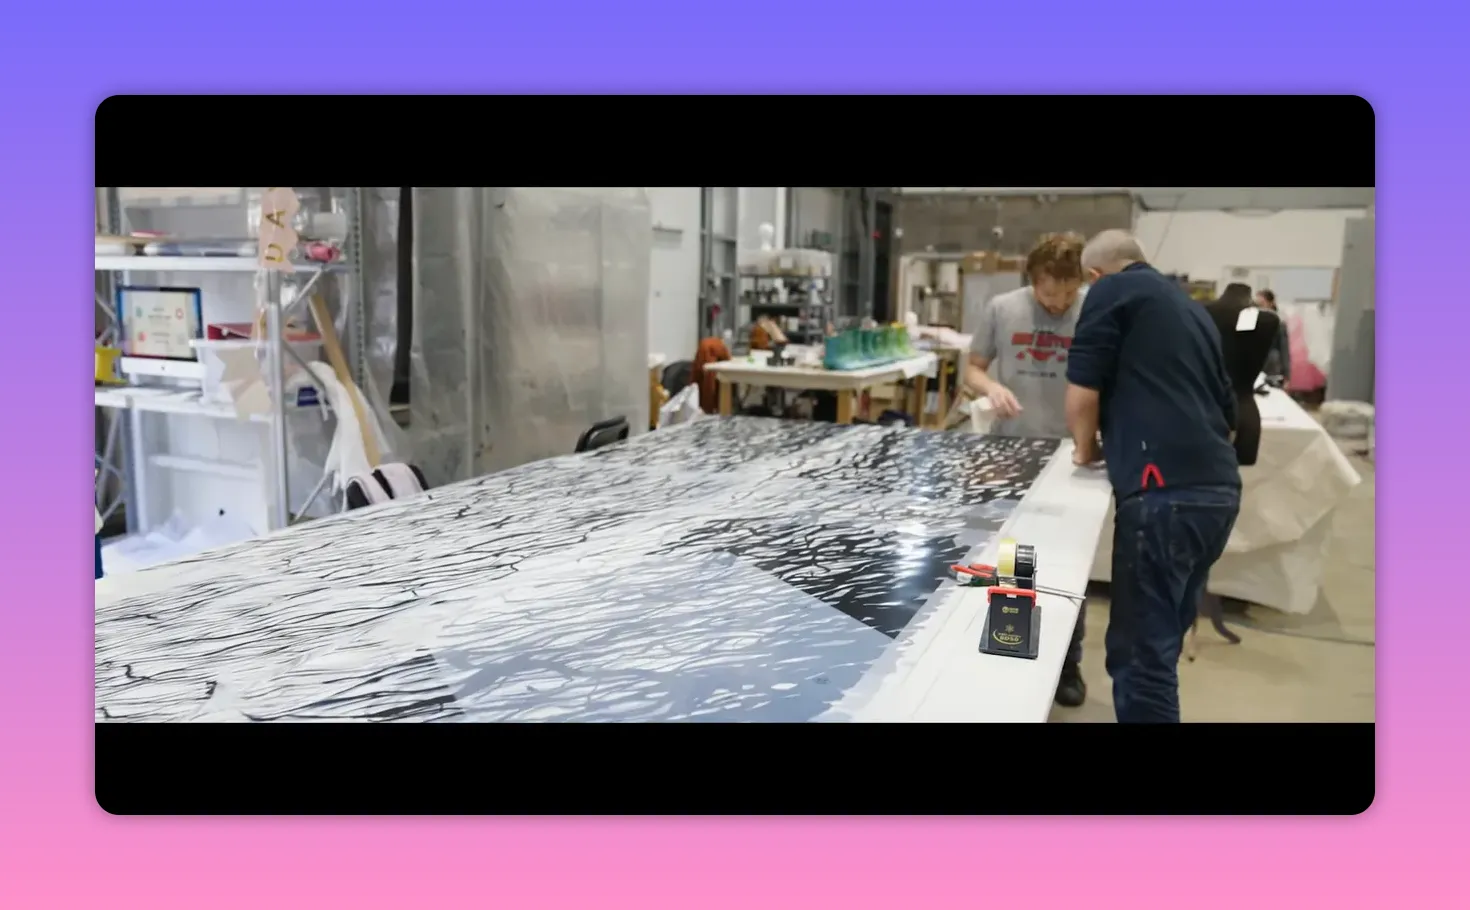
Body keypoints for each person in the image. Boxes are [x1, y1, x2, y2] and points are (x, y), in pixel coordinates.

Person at [1064, 230, 1242, 724]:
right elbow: (1229, 417)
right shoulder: (1191, 311)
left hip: (1164, 494)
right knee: (1161, 645)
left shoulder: (1110, 291)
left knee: (1141, 659)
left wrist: (1085, 450)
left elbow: (1082, 391)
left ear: (1095, 275)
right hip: (1218, 492)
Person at [965, 231, 1090, 707]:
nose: (1058, 303)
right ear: (1033, 280)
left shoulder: (1095, 310)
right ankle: (1011, 650)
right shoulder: (1002, 308)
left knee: (1070, 562)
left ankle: (1068, 663)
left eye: (1068, 292)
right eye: (1048, 293)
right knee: (1014, 558)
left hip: (1072, 453)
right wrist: (990, 387)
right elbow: (973, 367)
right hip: (1009, 455)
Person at [1254, 289, 1292, 383]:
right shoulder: (1253, 322)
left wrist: (1287, 375)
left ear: (1270, 303)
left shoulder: (1278, 323)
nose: (1258, 308)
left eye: (1261, 304)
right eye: (1256, 305)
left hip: (1273, 369)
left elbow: (1284, 349)